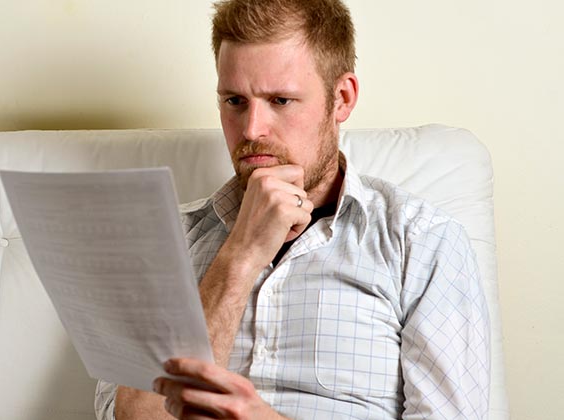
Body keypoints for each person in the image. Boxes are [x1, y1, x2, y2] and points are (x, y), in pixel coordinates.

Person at [95, 0, 490, 418]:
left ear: (342, 98)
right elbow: (133, 416)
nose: (251, 130)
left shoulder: (421, 241)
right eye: (234, 101)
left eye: (280, 100)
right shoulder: (165, 238)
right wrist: (240, 255)